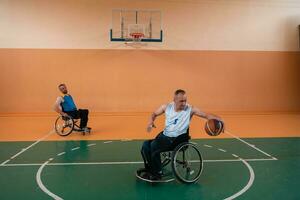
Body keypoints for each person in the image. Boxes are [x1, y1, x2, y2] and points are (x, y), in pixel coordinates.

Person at [139, 89, 223, 180]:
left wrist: (220, 120)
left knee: (154, 146)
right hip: (164, 136)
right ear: (174, 100)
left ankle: (157, 173)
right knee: (145, 145)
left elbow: (206, 115)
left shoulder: (190, 109)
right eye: (181, 101)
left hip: (177, 140)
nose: (184, 103)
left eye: (185, 100)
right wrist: (150, 122)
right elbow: (154, 113)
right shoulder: (166, 107)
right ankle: (151, 169)